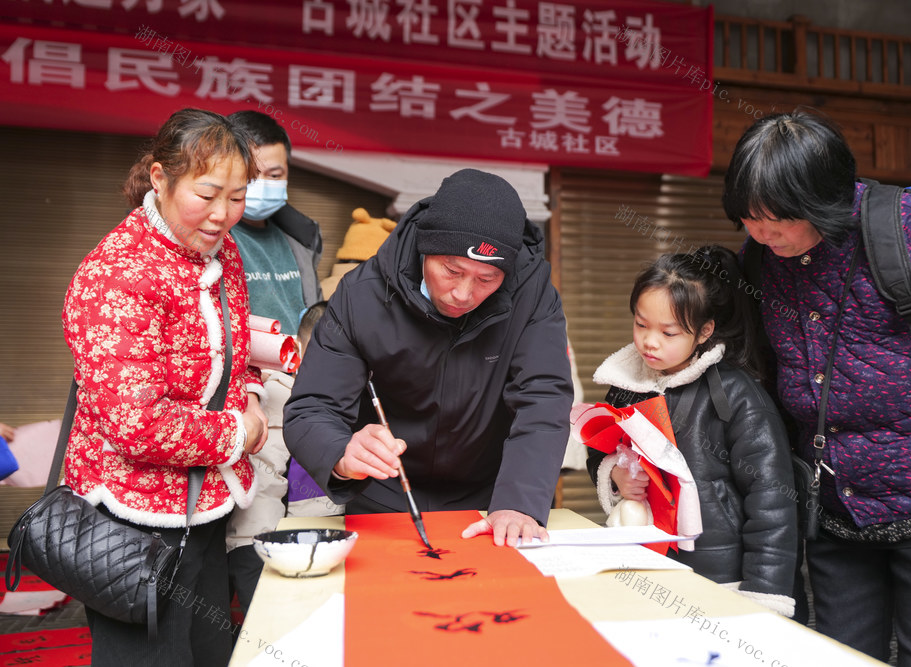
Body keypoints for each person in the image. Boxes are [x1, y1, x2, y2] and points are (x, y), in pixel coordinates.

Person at [721, 108, 911, 666]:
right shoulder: (763, 257)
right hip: (835, 502)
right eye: (749, 217)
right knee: (840, 655)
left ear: (825, 199)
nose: (761, 232)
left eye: (777, 218)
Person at [61, 108, 267, 665]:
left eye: (238, 196)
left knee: (207, 652)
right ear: (160, 178)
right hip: (131, 521)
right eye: (207, 194)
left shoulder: (223, 254)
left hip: (203, 505)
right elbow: (136, 422)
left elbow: (233, 356)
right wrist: (239, 432)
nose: (224, 214)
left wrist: (249, 393)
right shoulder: (118, 273)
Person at [284, 168, 574, 546]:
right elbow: (312, 407)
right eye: (451, 271)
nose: (463, 293)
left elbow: (544, 398)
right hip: (385, 493)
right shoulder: (363, 295)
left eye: (487, 279)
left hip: (495, 495)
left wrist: (520, 502)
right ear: (425, 248)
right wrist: (341, 452)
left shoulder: (533, 296)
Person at [585, 246, 798, 617]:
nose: (650, 342)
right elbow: (599, 450)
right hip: (643, 560)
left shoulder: (737, 397)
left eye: (668, 332)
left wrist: (764, 596)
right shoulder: (624, 384)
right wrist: (615, 473)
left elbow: (772, 501)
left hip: (719, 575)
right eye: (640, 324)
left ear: (704, 332)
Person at [225, 301, 342, 621]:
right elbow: (262, 487)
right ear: (299, 350)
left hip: (335, 540)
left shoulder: (353, 393)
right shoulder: (277, 394)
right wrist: (256, 554)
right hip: (278, 543)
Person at [227, 110, 323, 334]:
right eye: (250, 174)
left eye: (274, 175)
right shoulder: (209, 236)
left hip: (300, 367)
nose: (260, 184)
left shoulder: (302, 239)